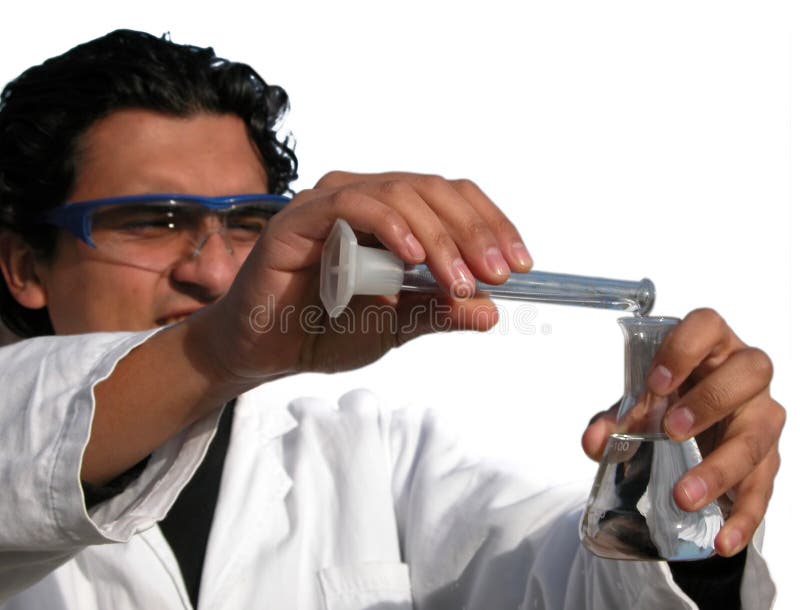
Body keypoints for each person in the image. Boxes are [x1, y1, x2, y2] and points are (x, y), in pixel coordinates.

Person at [0, 29, 784, 610]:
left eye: (248, 223)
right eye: (153, 219)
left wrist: (684, 497)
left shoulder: (373, 456)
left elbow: (575, 589)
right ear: (25, 265)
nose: (210, 271)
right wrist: (217, 355)